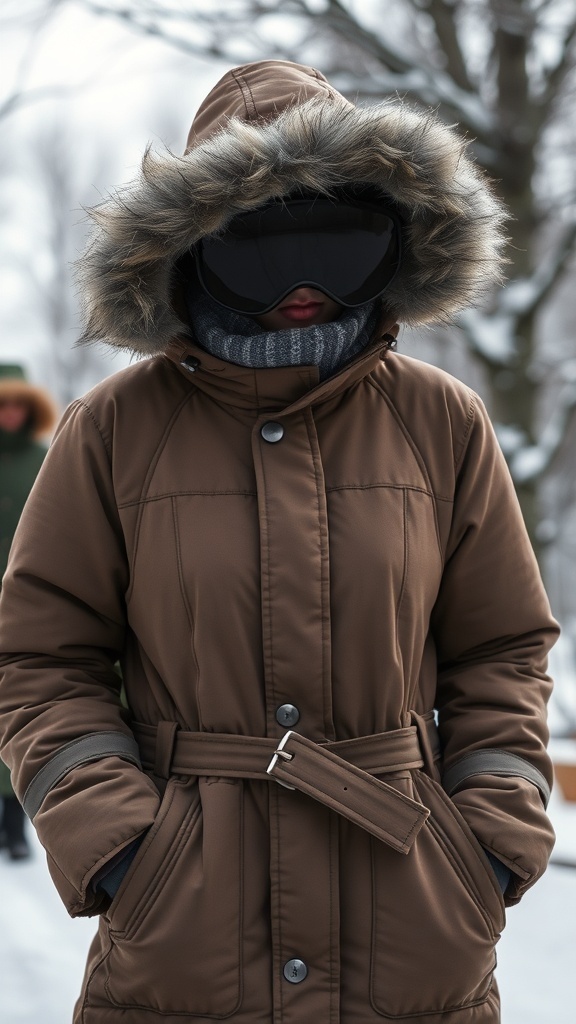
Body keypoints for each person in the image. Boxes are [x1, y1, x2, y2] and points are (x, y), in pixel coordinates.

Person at [0, 60, 558, 1024]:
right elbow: (43, 656)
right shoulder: (113, 430)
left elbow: (500, 647)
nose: (303, 285)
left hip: (414, 922)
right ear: (190, 247)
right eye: (260, 248)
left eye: (338, 244)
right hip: (184, 943)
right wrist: (126, 845)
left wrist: (491, 840)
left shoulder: (443, 423)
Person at [0, 364, 57, 860]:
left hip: (27, 606)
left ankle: (14, 825)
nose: (10, 414)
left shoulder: (47, 460)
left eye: (17, 404)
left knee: (22, 709)